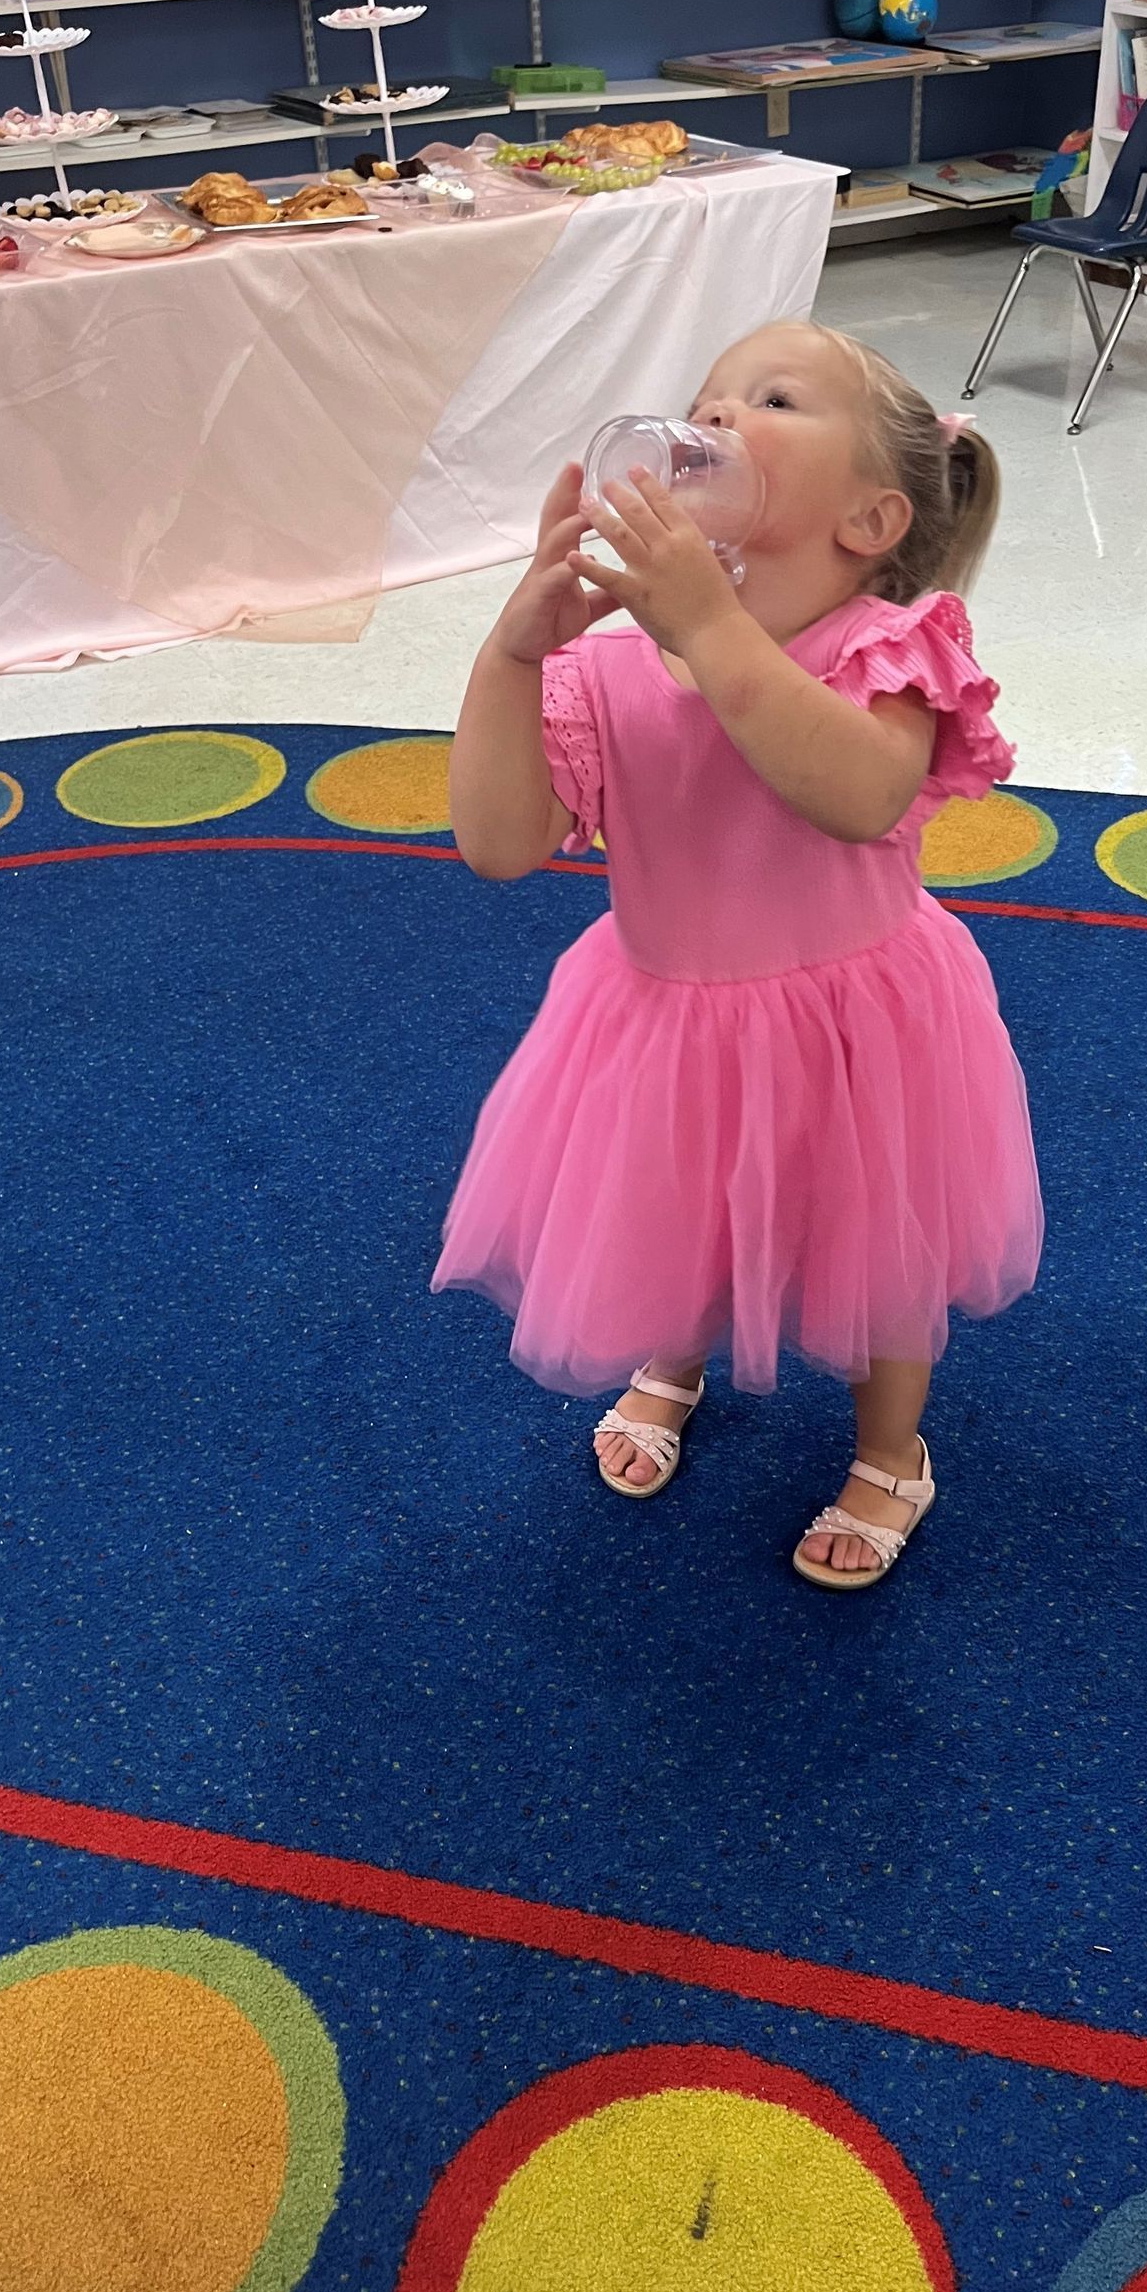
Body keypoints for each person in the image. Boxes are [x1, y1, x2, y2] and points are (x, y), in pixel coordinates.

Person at [433, 321, 1042, 1589]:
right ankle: (674, 1355)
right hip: (665, 1018)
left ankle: (893, 1450)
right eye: (705, 396)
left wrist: (711, 627)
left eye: (771, 398)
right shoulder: (609, 668)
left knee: (880, 1239)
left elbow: (858, 796)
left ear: (872, 519)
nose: (712, 417)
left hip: (859, 1021)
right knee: (684, 1214)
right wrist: (514, 651)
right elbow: (498, 843)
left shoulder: (888, 646)